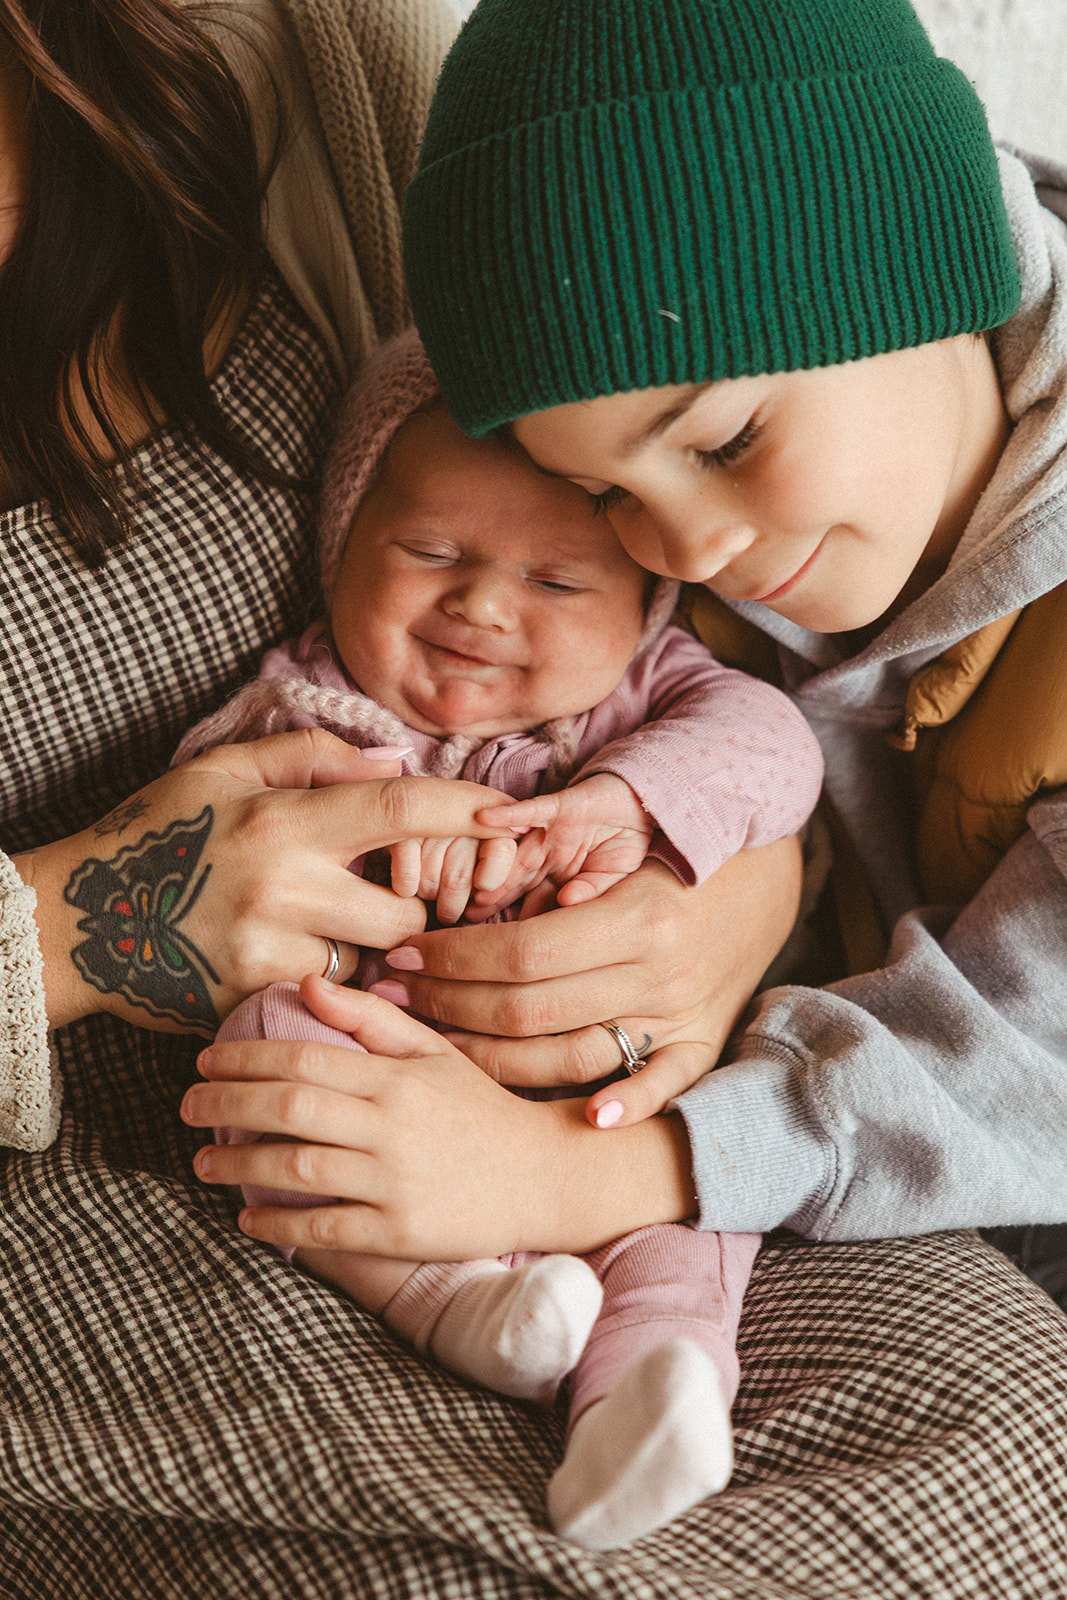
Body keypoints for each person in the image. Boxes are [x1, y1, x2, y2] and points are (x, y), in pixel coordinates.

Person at [5, 1, 1067, 1594]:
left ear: (927, 270)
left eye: (720, 442)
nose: (683, 552)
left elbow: (1027, 1067)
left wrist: (629, 1118)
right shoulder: (805, 461)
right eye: (608, 506)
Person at [177, 326, 823, 1547]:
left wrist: (629, 799)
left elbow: (778, 753)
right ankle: (460, 1304)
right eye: (426, 551)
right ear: (339, 546)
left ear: (645, 605)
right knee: (261, 1062)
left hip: (600, 1087)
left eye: (558, 582)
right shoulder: (303, 703)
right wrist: (364, 828)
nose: (479, 604)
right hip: (393, 1075)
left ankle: (655, 1389)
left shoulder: (660, 696)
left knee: (707, 1155)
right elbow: (223, 843)